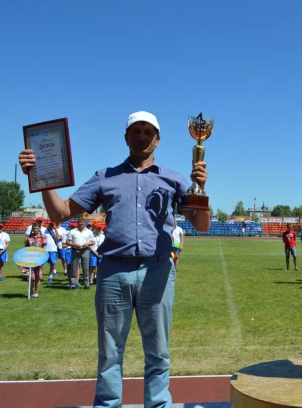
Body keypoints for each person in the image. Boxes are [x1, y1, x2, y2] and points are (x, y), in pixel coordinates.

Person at [19, 111, 210, 407]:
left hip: (157, 270)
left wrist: (202, 189)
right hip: (113, 273)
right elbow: (59, 213)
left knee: (158, 352)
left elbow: (201, 225)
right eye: (136, 130)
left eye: (149, 131)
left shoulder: (173, 179)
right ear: (126, 138)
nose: (142, 136)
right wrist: (41, 177)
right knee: (110, 353)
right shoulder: (104, 178)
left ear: (157, 140)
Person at [66, 218, 95, 289]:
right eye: (80, 222)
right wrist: (75, 245)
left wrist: (88, 243)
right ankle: (72, 283)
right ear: (77, 223)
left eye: (83, 222)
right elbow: (67, 242)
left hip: (85, 250)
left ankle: (86, 284)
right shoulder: (72, 231)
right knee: (74, 267)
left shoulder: (89, 232)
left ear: (84, 223)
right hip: (75, 250)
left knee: (85, 267)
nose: (81, 223)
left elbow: (93, 242)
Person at [25, 224, 47, 298]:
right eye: (34, 228)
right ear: (32, 229)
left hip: (39, 259)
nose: (36, 229)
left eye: (37, 228)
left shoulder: (42, 237)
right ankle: (30, 292)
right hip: (30, 259)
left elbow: (44, 247)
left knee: (37, 276)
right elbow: (26, 248)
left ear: (39, 229)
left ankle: (36, 293)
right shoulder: (29, 238)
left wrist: (42, 256)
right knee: (30, 277)